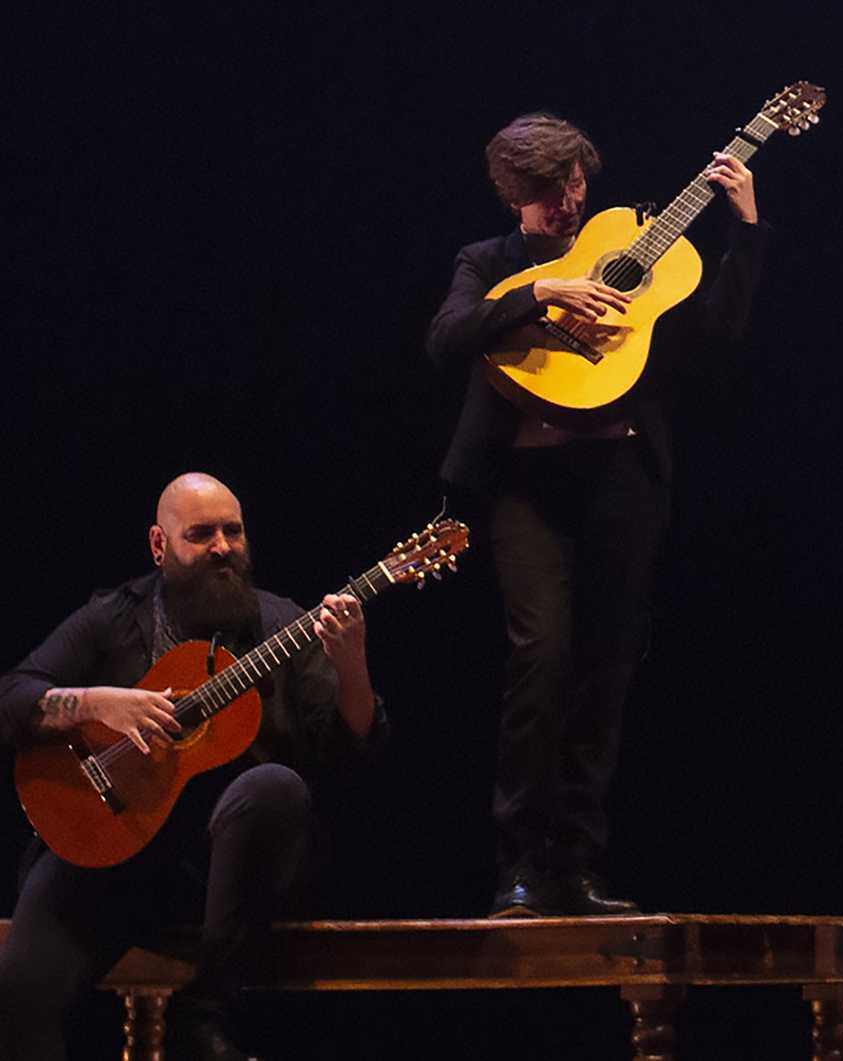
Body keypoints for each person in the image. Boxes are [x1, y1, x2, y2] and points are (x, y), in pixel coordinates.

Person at [425, 112, 768, 917]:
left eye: (576, 183)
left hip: (621, 478)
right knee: (540, 653)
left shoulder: (632, 241)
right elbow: (445, 339)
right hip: (524, 485)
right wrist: (541, 289)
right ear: (515, 196)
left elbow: (719, 332)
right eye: (548, 195)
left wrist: (746, 226)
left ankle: (576, 865)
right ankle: (518, 865)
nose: (568, 204)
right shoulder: (491, 262)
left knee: (608, 663)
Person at [0, 473, 386, 1061]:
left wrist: (351, 666)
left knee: (274, 787)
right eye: (201, 534)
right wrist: (100, 701)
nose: (222, 547)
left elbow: (351, 757)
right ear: (160, 546)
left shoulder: (285, 625)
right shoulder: (114, 618)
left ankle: (205, 1009)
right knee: (17, 1005)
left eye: (233, 531)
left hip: (224, 876)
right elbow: (13, 696)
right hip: (113, 851)